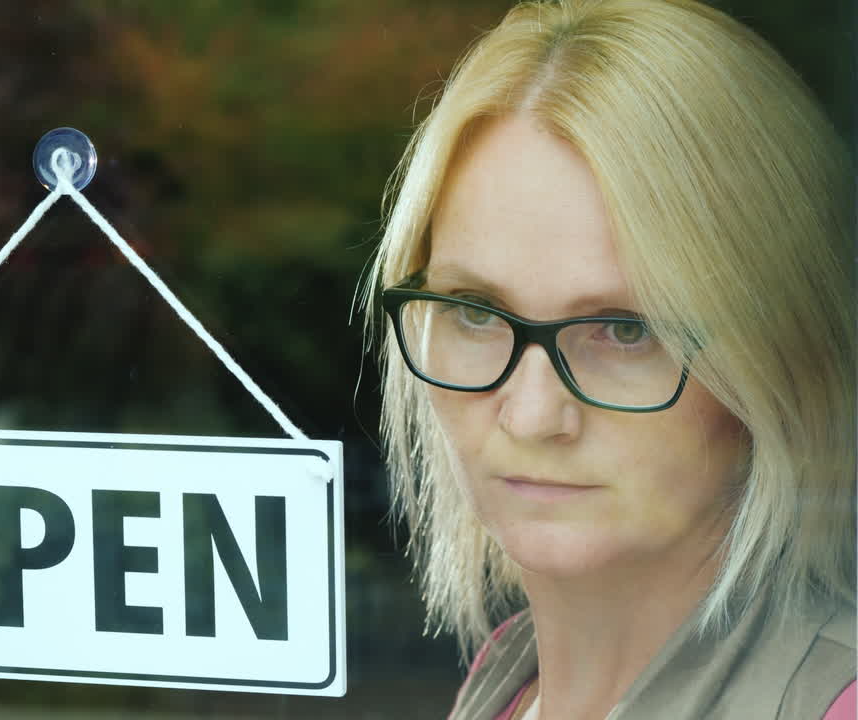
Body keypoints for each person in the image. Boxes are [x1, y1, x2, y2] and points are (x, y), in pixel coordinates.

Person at [364, 0, 856, 718]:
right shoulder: (505, 682)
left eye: (626, 330)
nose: (532, 416)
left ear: (778, 357)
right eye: (475, 312)